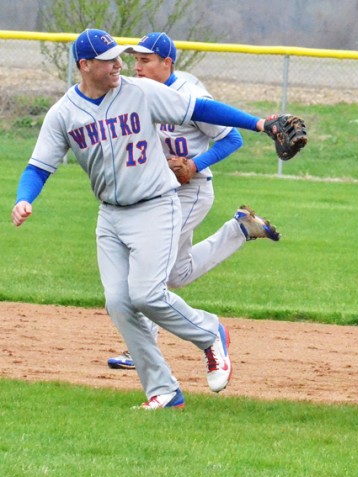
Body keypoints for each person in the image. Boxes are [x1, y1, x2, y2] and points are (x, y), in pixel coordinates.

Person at [12, 29, 294, 409]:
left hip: (155, 205)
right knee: (119, 302)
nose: (119, 64)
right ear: (85, 66)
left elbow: (198, 109)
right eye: (110, 59)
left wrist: (259, 125)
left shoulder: (139, 91)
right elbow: (38, 166)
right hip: (110, 216)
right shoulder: (64, 113)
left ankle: (210, 333)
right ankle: (163, 390)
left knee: (146, 293)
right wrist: (24, 199)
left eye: (119, 57)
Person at [106, 32, 279, 372]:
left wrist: (195, 165)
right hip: (159, 190)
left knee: (150, 265)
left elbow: (234, 138)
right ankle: (240, 229)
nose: (137, 67)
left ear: (167, 62)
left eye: (146, 60)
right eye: (136, 60)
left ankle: (141, 346)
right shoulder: (141, 94)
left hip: (190, 191)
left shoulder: (189, 97)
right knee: (177, 273)